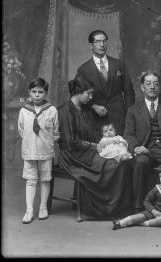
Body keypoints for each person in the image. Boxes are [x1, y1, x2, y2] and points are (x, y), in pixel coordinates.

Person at [57, 78, 134, 219]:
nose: (91, 98)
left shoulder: (86, 110)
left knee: (123, 162)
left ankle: (116, 207)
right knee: (113, 165)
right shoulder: (65, 111)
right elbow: (69, 141)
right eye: (89, 94)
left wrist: (109, 144)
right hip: (72, 155)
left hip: (89, 151)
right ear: (78, 92)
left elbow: (95, 134)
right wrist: (94, 146)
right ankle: (104, 209)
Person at [123, 71, 161, 212]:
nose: (152, 87)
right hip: (146, 149)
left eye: (156, 84)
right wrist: (137, 147)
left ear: (160, 88)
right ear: (142, 88)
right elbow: (128, 134)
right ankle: (139, 206)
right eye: (148, 84)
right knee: (140, 163)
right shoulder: (133, 110)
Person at [75, 30, 135, 135]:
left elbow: (129, 92)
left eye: (104, 41)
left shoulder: (119, 65)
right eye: (98, 41)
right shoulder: (83, 69)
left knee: (120, 148)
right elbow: (76, 95)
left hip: (119, 118)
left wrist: (129, 115)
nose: (102, 44)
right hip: (95, 119)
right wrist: (93, 106)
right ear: (90, 45)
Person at [17, 78, 59, 223]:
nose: (37, 95)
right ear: (29, 93)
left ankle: (43, 207)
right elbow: (21, 130)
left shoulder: (51, 110)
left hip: (45, 151)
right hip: (29, 150)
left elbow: (56, 130)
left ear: (45, 93)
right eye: (34, 92)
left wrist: (45, 141)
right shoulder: (24, 111)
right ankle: (29, 210)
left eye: (40, 92)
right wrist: (31, 142)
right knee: (30, 180)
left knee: (45, 179)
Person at [112, 163, 161, 229]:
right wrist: (153, 211)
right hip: (154, 211)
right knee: (140, 216)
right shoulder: (157, 188)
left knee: (159, 220)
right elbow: (146, 201)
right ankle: (121, 223)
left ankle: (141, 224)